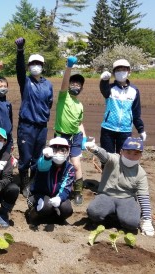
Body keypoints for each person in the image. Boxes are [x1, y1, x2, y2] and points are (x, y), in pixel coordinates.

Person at [85, 137, 155, 236]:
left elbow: (144, 197)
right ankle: (111, 214)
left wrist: (147, 219)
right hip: (106, 195)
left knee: (131, 223)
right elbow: (104, 156)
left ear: (141, 155)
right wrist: (95, 149)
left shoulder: (141, 173)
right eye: (128, 152)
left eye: (136, 154)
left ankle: (119, 215)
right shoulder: (114, 160)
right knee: (94, 213)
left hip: (126, 199)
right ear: (121, 152)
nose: (131, 156)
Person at [14, 37, 54, 198]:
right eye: (32, 64)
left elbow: (49, 103)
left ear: (42, 66)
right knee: (25, 157)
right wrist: (20, 51)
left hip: (41, 127)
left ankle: (33, 182)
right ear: (29, 66)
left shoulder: (48, 84)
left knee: (37, 158)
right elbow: (19, 68)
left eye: (38, 64)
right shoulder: (25, 81)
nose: (35, 66)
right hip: (26, 126)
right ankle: (24, 184)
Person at [53, 56, 87, 205]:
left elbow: (80, 122)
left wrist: (84, 137)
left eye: (78, 84)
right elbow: (64, 83)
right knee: (59, 162)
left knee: (76, 164)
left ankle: (78, 192)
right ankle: (57, 187)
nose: (75, 86)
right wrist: (68, 67)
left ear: (81, 88)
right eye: (73, 83)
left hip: (76, 137)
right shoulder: (63, 96)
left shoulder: (80, 105)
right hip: (61, 136)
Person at [99, 59, 146, 154]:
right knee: (108, 159)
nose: (121, 72)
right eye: (118, 70)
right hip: (108, 129)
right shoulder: (110, 88)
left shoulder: (134, 91)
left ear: (129, 71)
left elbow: (136, 112)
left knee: (123, 157)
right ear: (114, 73)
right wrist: (104, 81)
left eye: (124, 69)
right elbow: (104, 90)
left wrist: (141, 129)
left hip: (125, 130)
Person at [26, 137, 75, 225]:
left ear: (67, 152)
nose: (59, 153)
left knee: (67, 209)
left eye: (62, 150)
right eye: (55, 150)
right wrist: (46, 158)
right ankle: (33, 214)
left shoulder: (70, 168)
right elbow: (42, 166)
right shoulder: (45, 162)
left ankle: (57, 218)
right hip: (39, 194)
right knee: (45, 206)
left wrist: (60, 198)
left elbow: (66, 187)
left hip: (57, 196)